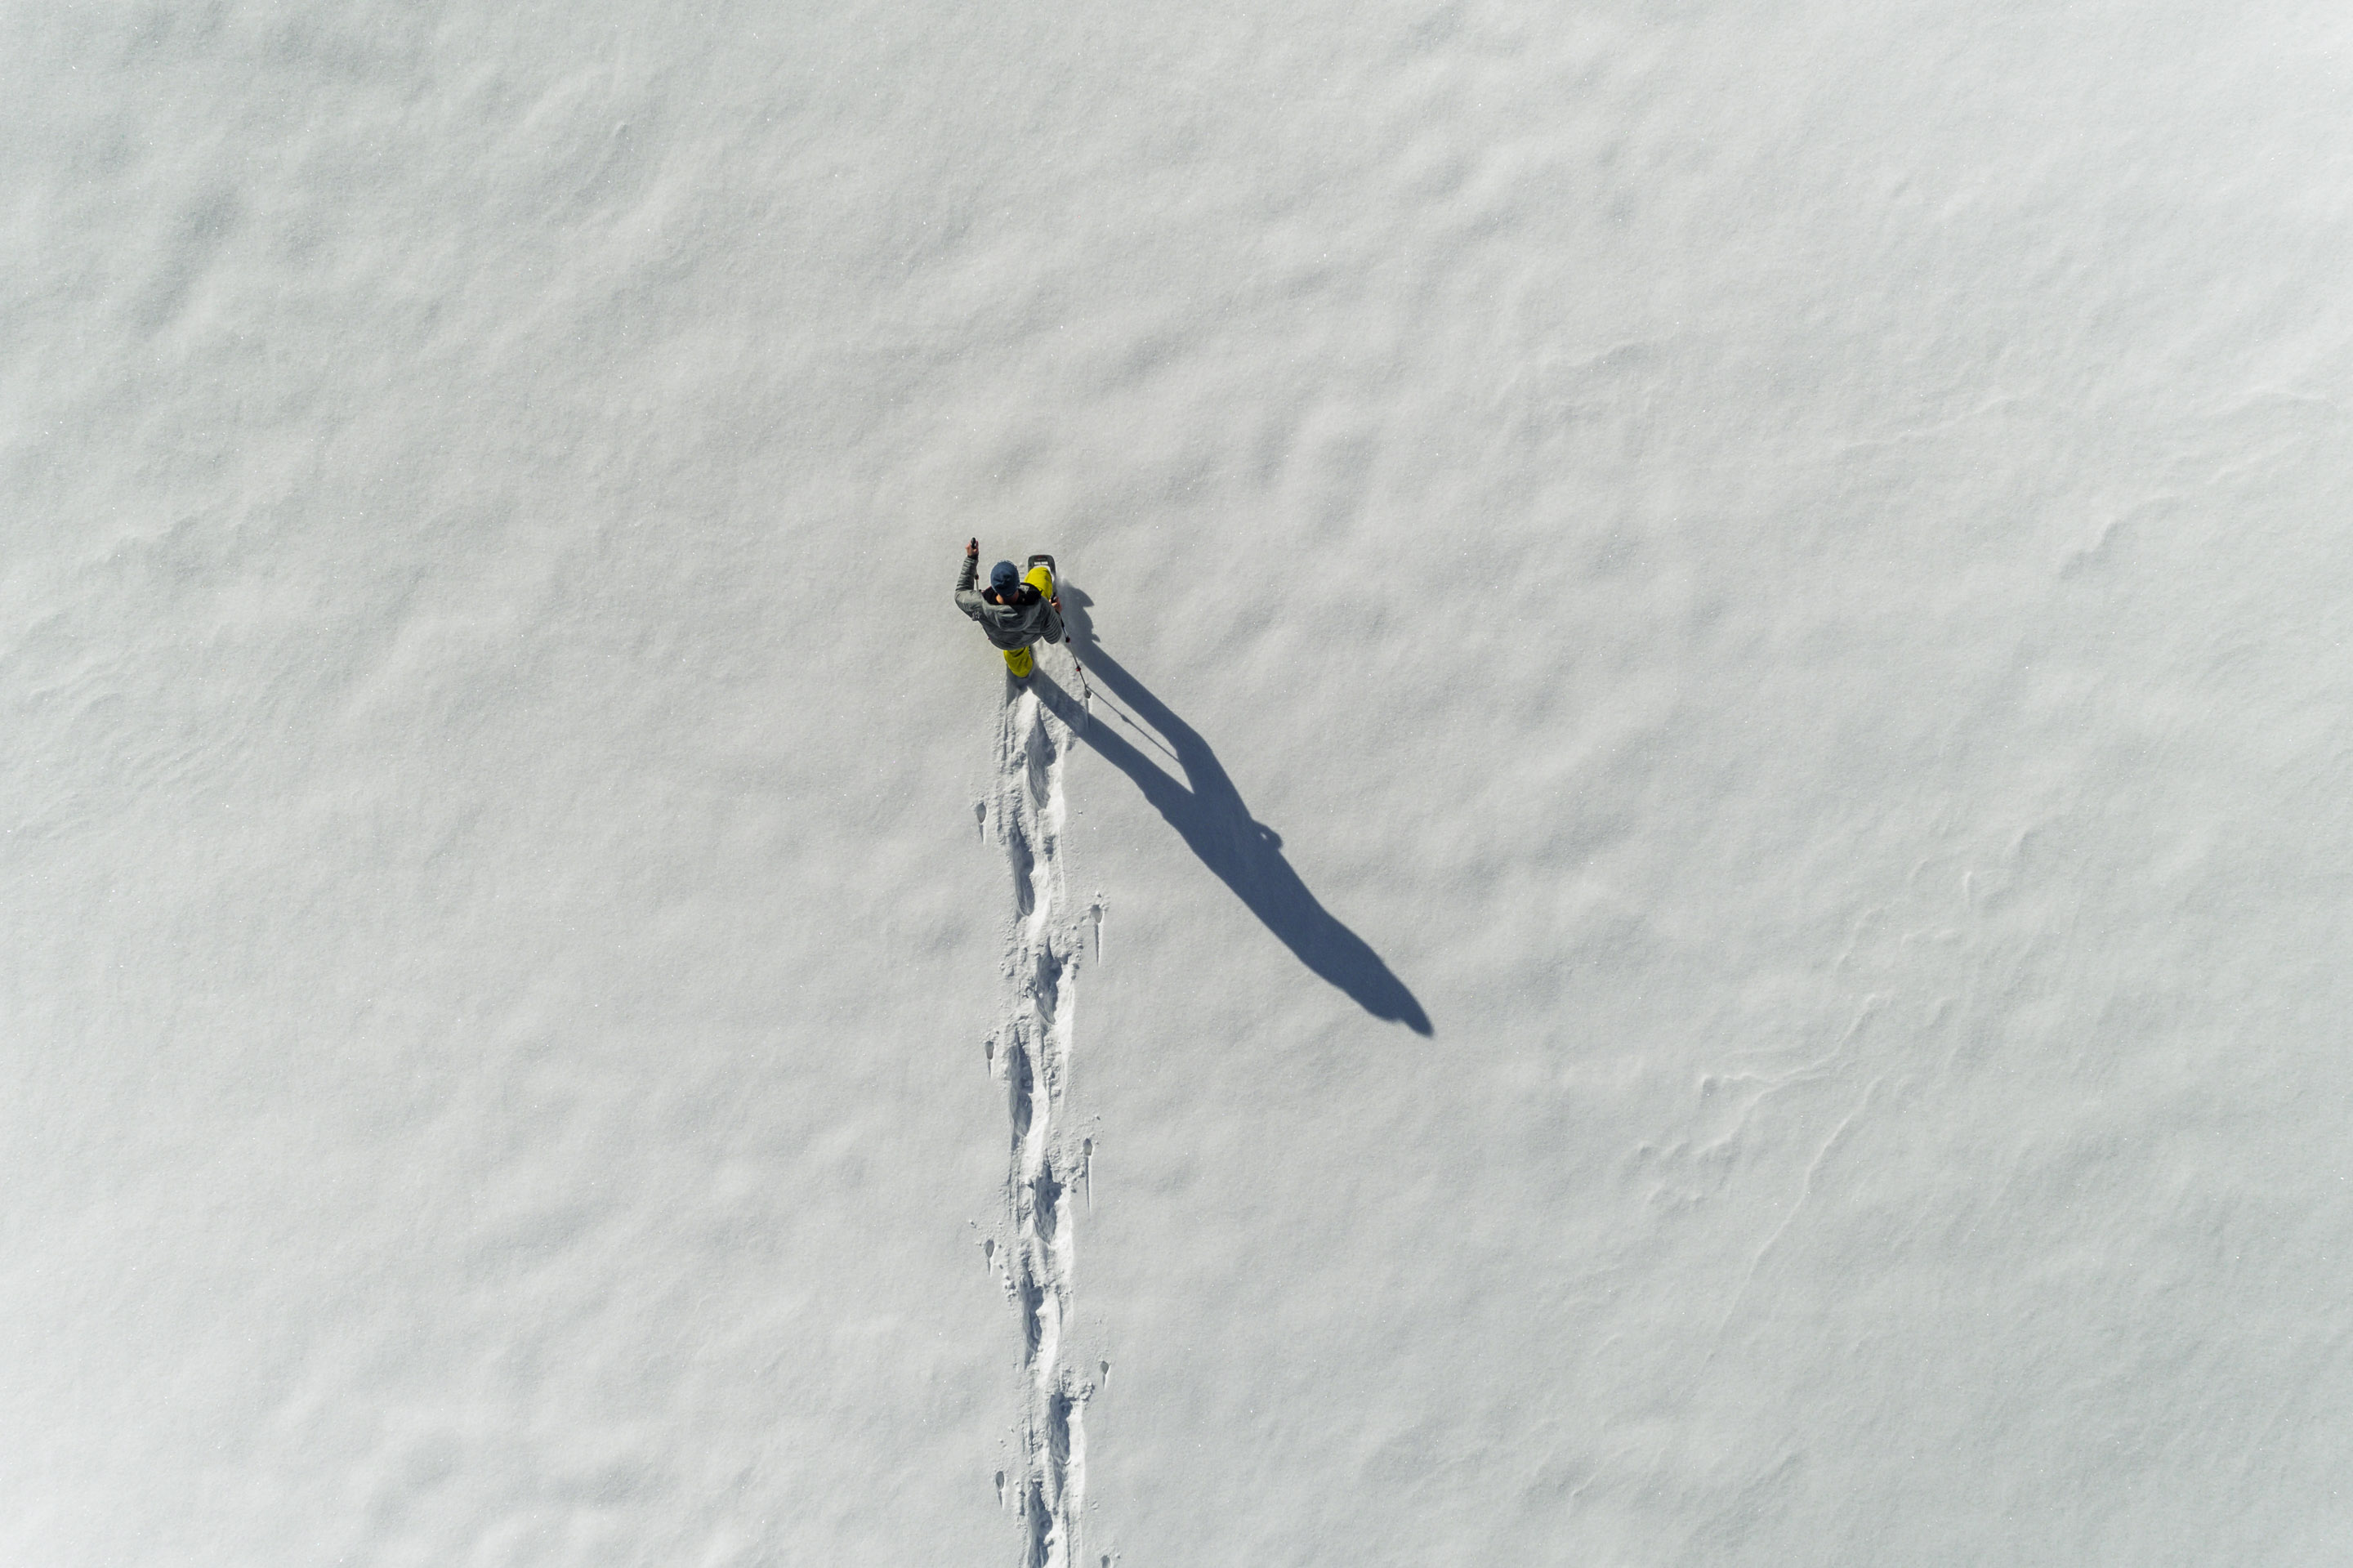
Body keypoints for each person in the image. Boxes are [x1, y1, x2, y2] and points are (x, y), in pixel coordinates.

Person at [956, 538, 1063, 678]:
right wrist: (1055, 612)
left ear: (993, 587)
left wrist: (971, 558)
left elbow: (960, 593)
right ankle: (1041, 574)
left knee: (1016, 659)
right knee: (1041, 573)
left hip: (1005, 642)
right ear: (1018, 582)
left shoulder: (978, 604)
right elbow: (1053, 637)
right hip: (1030, 636)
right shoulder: (1042, 606)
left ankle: (1023, 671)